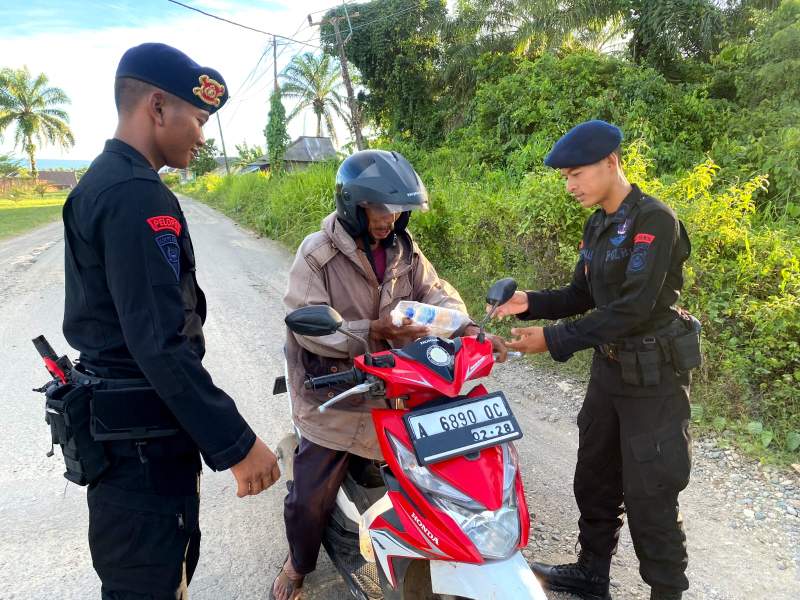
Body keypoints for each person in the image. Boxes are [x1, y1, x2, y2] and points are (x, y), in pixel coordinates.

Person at [62, 43, 280, 599]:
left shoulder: (108, 181)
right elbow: (159, 342)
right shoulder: (136, 194)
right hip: (142, 453)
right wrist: (235, 442)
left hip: (131, 443)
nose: (203, 137)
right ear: (157, 107)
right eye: (199, 119)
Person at [273, 149, 506, 600]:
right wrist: (369, 331)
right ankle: (297, 563)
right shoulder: (317, 254)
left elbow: (438, 294)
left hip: (398, 385)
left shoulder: (404, 250)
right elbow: (305, 322)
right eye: (377, 209)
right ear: (352, 206)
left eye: (395, 210)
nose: (387, 219)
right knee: (309, 495)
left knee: (452, 464)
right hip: (337, 392)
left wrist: (467, 326)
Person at [493, 120, 698, 600]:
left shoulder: (654, 221)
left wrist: (554, 339)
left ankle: (666, 593)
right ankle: (592, 574)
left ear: (611, 162)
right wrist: (529, 302)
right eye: (565, 177)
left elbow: (632, 309)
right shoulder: (598, 223)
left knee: (651, 497)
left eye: (576, 174)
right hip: (609, 374)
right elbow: (581, 293)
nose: (570, 186)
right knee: (594, 478)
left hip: (653, 381)